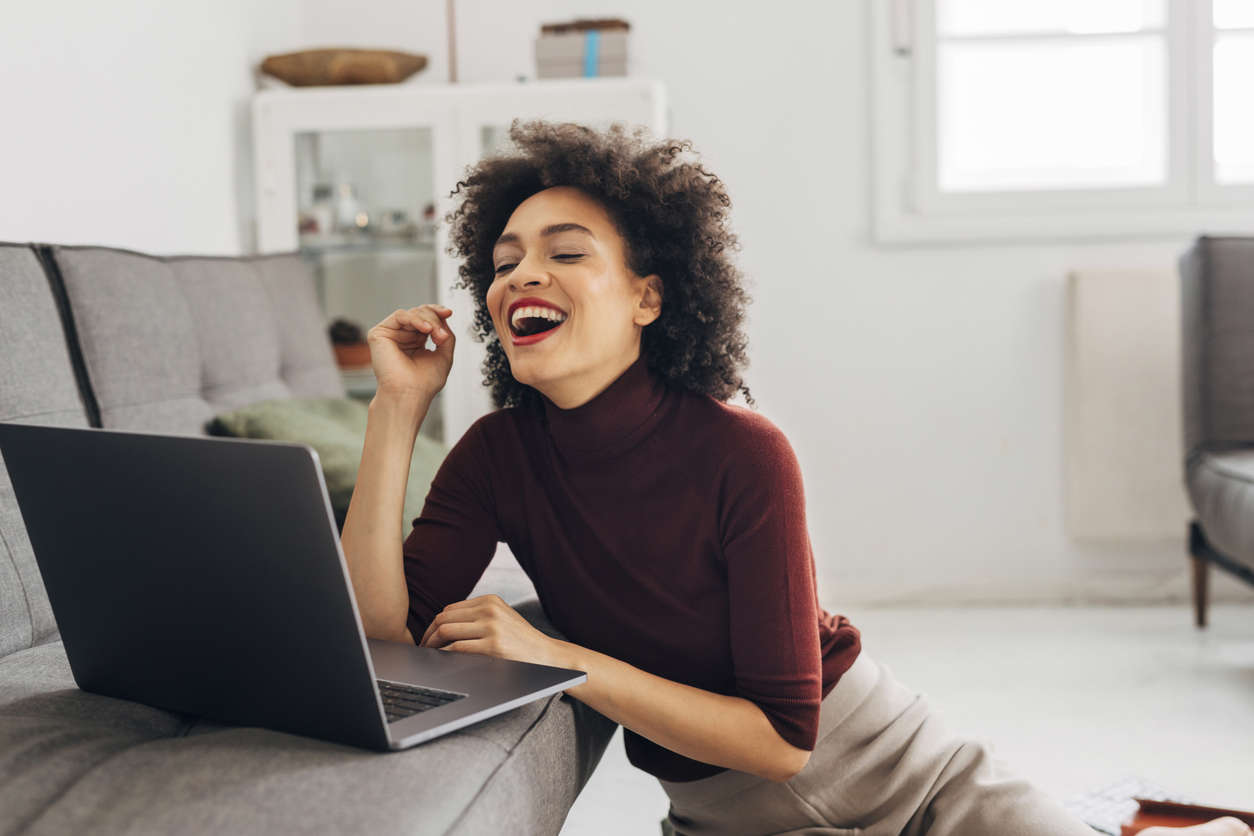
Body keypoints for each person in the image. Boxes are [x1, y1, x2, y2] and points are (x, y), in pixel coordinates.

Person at [339, 121, 1251, 836]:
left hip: (906, 777)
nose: (521, 275)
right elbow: (383, 631)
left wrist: (562, 663)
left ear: (649, 298)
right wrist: (398, 408)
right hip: (723, 822)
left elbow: (781, 740)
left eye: (565, 252)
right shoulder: (499, 455)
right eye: (503, 263)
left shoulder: (742, 450)